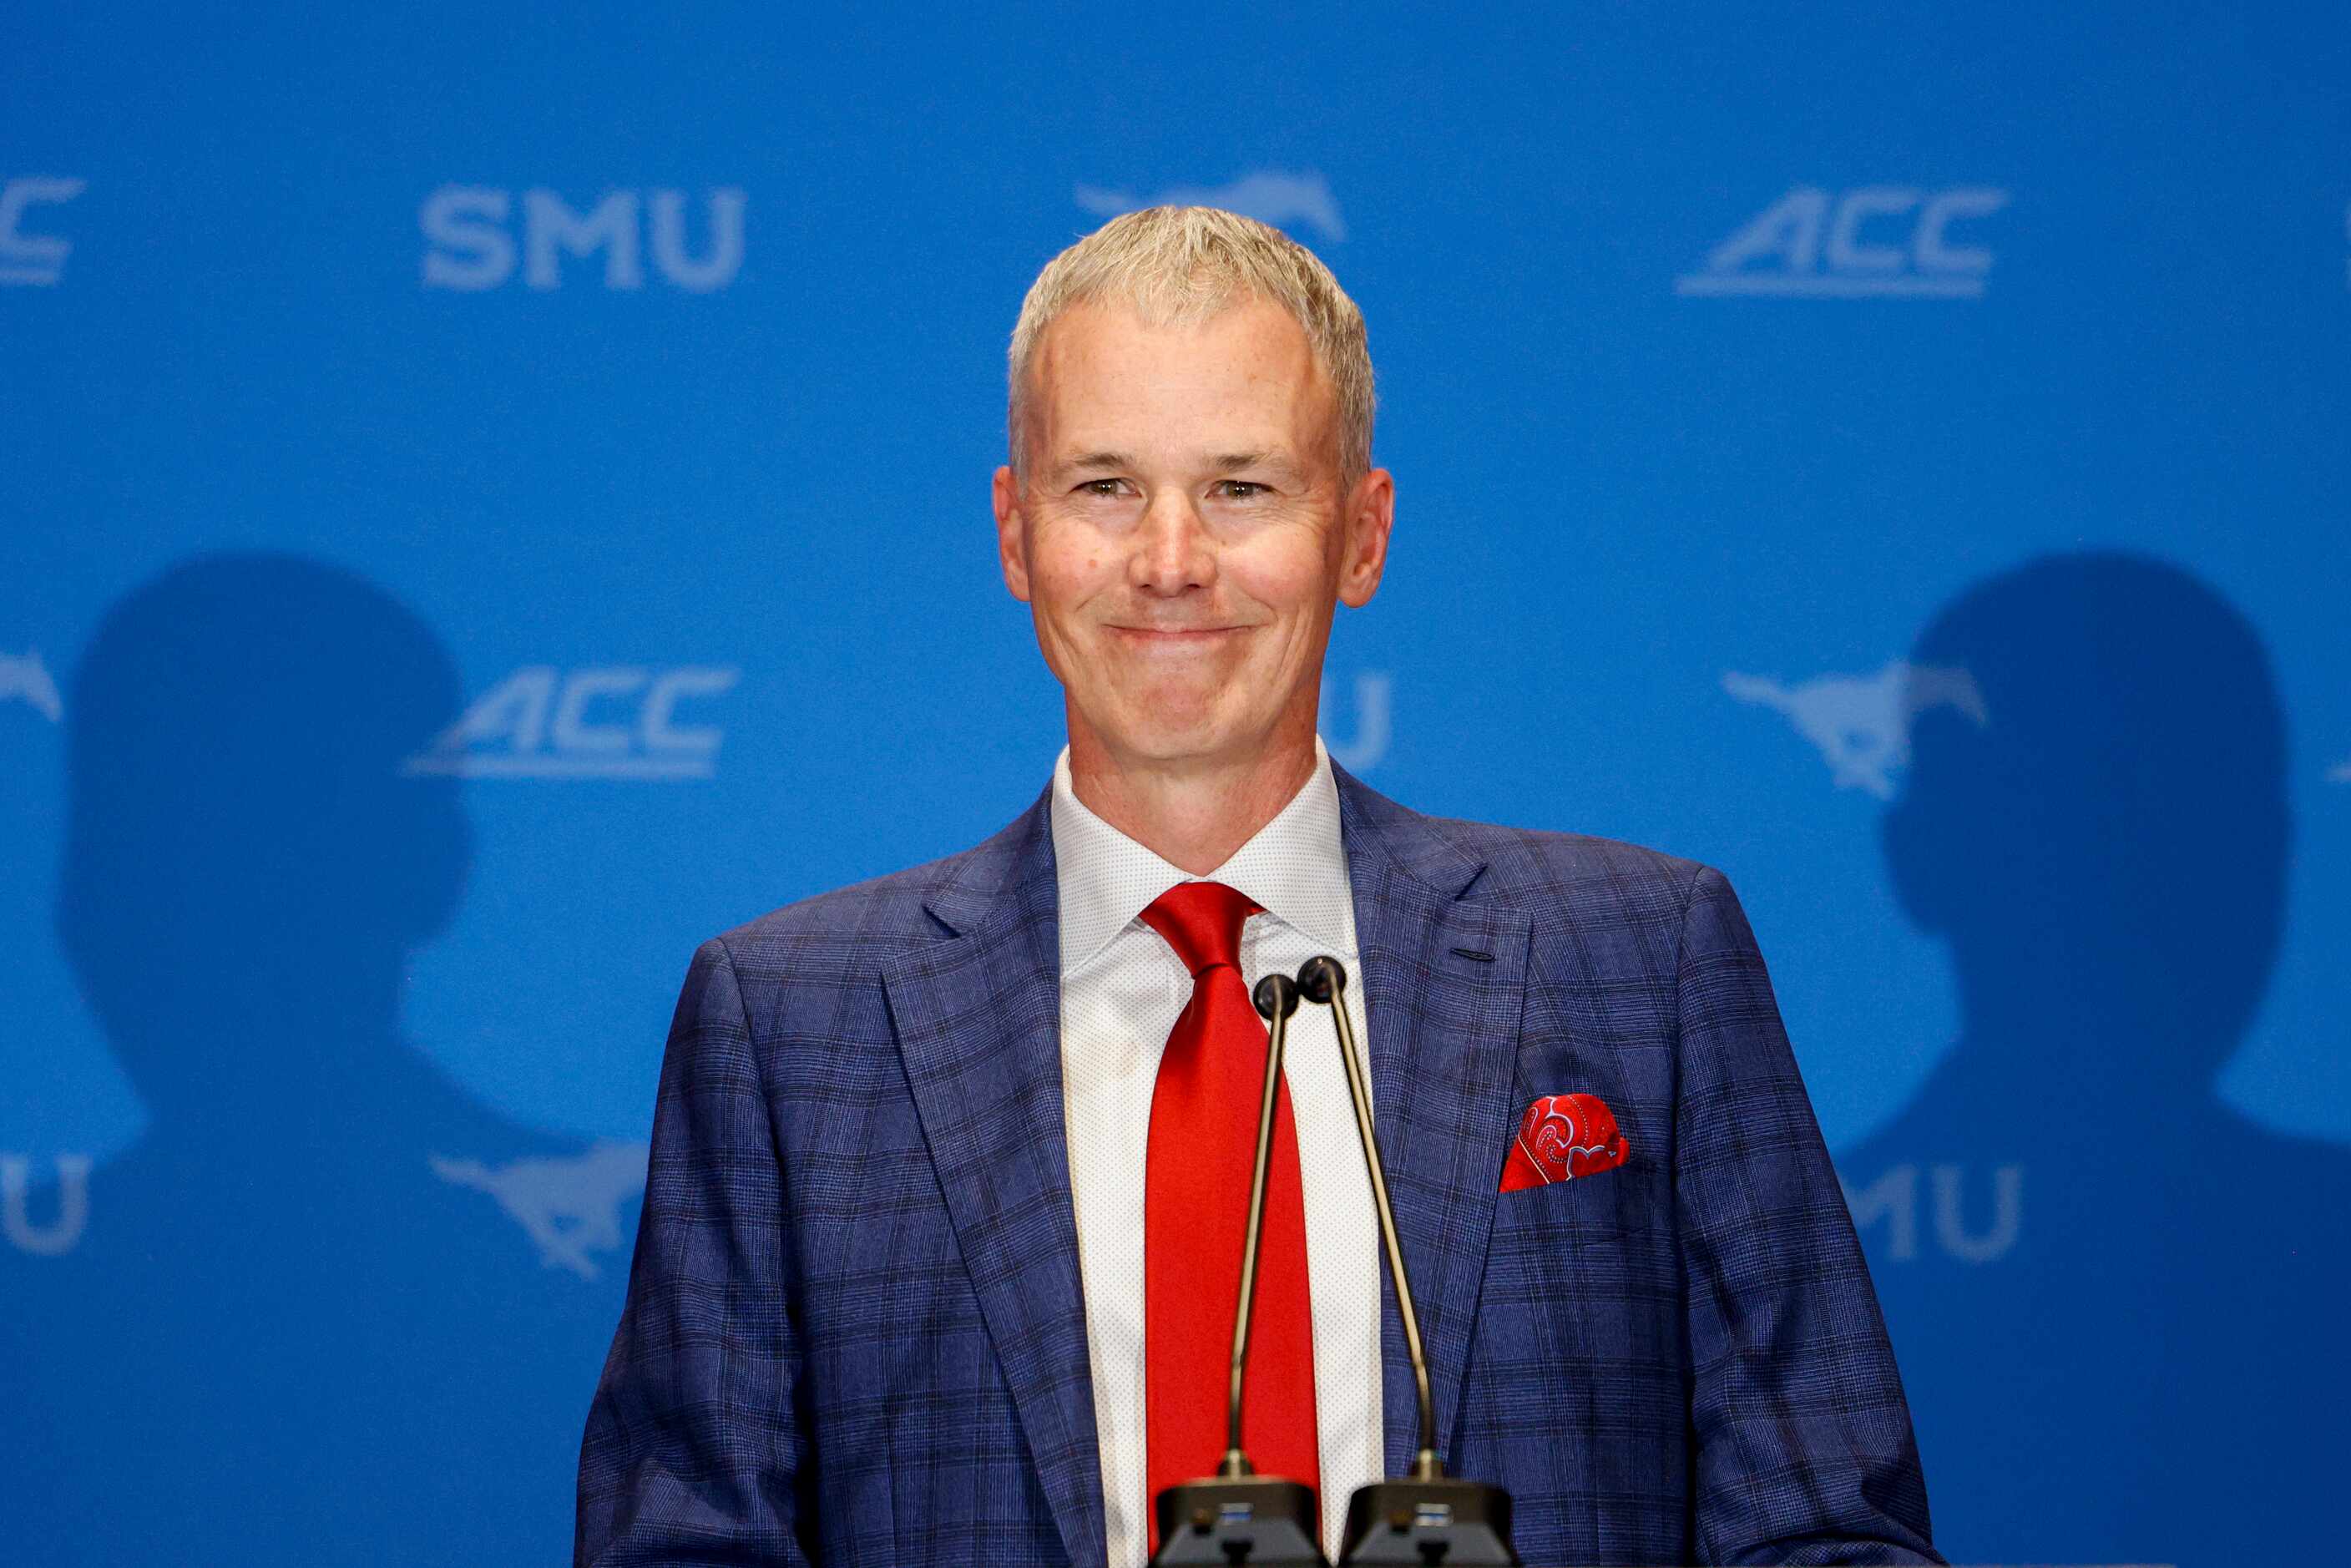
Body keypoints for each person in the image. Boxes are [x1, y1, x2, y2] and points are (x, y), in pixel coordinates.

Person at [575, 206, 1937, 1567]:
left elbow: (1829, 1533)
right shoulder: (790, 1023)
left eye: (1242, 487)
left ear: (1361, 532)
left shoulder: (1643, 962)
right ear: (1014, 531)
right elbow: (683, 1548)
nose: (1171, 561)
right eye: (1105, 486)